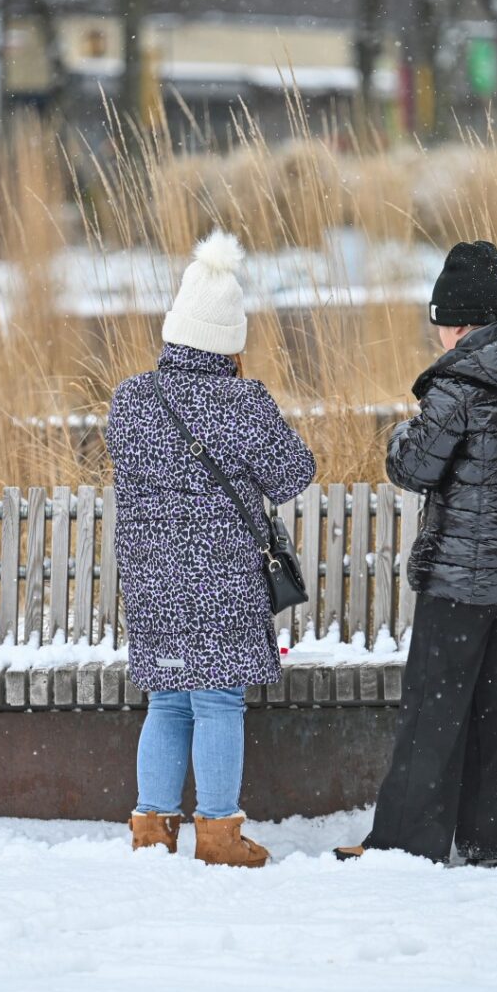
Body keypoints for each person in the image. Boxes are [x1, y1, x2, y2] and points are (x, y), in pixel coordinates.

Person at [336, 240, 497, 870]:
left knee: (434, 712)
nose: (439, 336)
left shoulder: (458, 386)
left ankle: (405, 844)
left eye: (440, 323)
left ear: (461, 324)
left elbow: (414, 466)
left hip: (461, 581)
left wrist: (398, 432)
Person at [105, 229, 315, 868]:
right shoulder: (241, 402)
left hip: (151, 581)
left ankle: (151, 828)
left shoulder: (132, 399)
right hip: (222, 581)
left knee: (167, 698)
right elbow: (294, 473)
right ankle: (220, 834)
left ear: (174, 331)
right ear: (230, 342)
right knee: (218, 699)